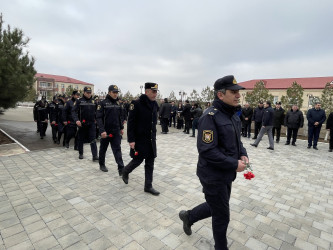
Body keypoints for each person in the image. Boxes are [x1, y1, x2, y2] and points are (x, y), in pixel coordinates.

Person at [179, 75, 248, 250]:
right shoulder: (210, 117)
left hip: (226, 174)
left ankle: (189, 216)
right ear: (220, 95)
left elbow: (237, 142)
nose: (238, 95)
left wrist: (243, 155)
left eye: (238, 92)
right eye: (233, 92)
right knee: (222, 215)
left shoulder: (233, 115)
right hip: (212, 175)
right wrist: (234, 164)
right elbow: (207, 150)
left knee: (216, 206)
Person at [122, 82, 160, 196]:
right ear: (147, 91)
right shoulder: (136, 103)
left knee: (150, 162)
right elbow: (131, 123)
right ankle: (125, 171)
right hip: (139, 138)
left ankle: (148, 186)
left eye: (156, 92)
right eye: (153, 92)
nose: (155, 94)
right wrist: (131, 140)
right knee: (138, 160)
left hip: (151, 139)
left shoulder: (155, 104)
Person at [96, 85, 125, 174]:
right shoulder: (103, 103)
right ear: (109, 92)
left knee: (117, 150)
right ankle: (102, 164)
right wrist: (102, 130)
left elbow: (120, 117)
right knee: (103, 149)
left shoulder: (118, 103)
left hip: (116, 131)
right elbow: (99, 117)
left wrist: (121, 128)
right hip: (106, 131)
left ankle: (121, 169)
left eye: (117, 92)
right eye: (114, 92)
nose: (115, 94)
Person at [72, 87, 99, 160]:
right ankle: (81, 153)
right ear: (84, 92)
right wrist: (76, 120)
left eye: (90, 92)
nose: (89, 94)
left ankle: (95, 156)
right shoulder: (79, 101)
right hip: (82, 124)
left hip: (92, 124)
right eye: (87, 92)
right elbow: (73, 111)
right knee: (81, 139)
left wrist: (97, 119)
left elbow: (97, 112)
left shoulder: (94, 101)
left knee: (93, 139)